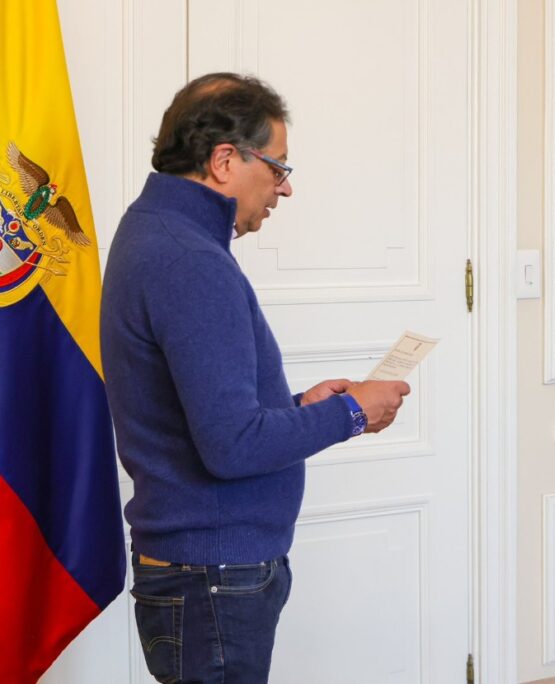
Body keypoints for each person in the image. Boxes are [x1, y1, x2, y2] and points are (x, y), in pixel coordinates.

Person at [100, 73, 411, 683]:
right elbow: (232, 446)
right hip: (212, 576)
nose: (285, 187)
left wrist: (299, 404)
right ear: (224, 161)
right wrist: (352, 413)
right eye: (277, 167)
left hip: (201, 571)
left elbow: (201, 412)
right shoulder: (189, 259)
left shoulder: (158, 233)